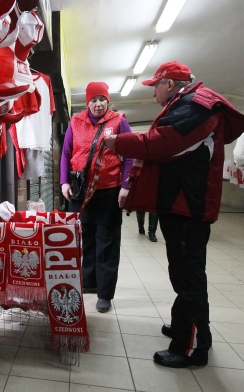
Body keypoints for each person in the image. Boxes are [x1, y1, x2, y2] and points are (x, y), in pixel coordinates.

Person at [102, 61, 244, 368]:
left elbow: (164, 145)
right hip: (181, 203)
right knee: (183, 273)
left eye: (156, 86)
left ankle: (191, 347)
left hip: (188, 206)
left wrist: (119, 142)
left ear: (169, 84)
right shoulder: (189, 104)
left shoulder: (198, 106)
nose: (154, 93)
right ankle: (185, 328)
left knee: (188, 277)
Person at [60, 81, 134, 313]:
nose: (98, 104)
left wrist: (125, 185)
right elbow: (66, 153)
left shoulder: (118, 121)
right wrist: (63, 181)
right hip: (80, 191)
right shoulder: (76, 121)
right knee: (84, 239)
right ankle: (89, 282)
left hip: (109, 190)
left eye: (102, 99)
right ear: (87, 101)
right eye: (93, 99)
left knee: (107, 241)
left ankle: (105, 293)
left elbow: (130, 154)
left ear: (108, 100)